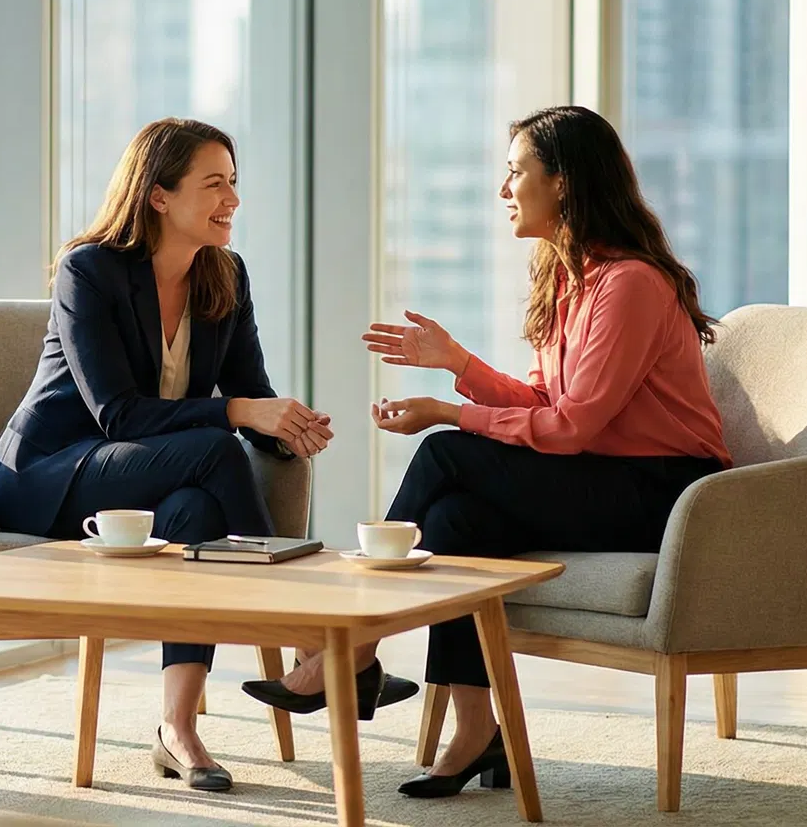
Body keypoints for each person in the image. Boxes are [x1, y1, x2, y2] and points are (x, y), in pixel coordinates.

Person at [241, 105, 732, 799]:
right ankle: (475, 729)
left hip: (671, 496)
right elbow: (545, 402)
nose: (504, 190)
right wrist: (457, 362)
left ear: (562, 183)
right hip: (604, 478)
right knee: (455, 524)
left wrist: (451, 411)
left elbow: (570, 428)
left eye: (516, 172)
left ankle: (352, 645)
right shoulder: (568, 277)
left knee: (446, 453)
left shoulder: (630, 284)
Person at [0, 118, 376, 793]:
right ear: (158, 195)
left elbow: (248, 391)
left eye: (233, 183)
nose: (232, 200)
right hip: (52, 475)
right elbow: (118, 414)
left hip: (149, 483)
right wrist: (240, 414)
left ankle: (177, 728)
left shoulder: (225, 275)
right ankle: (313, 641)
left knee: (196, 511)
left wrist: (284, 428)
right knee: (215, 446)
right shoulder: (88, 270)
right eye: (213, 184)